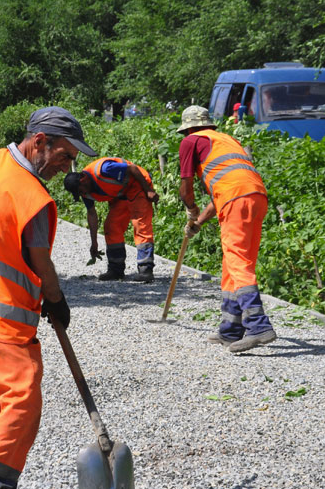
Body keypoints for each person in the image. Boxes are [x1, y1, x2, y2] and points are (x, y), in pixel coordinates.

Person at [0, 106, 98, 489]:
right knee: (23, 400)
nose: (67, 166)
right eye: (65, 155)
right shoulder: (32, 198)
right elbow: (42, 263)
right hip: (4, 320)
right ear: (40, 142)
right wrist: (56, 300)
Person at [177, 105, 277, 353]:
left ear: (189, 128)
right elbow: (221, 196)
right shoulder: (228, 140)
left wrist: (190, 209)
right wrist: (198, 222)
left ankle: (258, 326)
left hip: (236, 199)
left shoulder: (191, 141)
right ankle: (231, 330)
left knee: (237, 262)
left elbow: (185, 188)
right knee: (235, 263)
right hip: (256, 197)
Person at [63, 158, 159, 282]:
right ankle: (116, 270)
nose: (83, 193)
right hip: (121, 194)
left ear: (83, 178)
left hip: (138, 185)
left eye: (81, 190)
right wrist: (94, 243)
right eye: (79, 193)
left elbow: (133, 169)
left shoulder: (103, 169)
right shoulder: (85, 193)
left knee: (140, 224)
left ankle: (145, 270)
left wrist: (148, 190)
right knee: (111, 227)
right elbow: (92, 214)